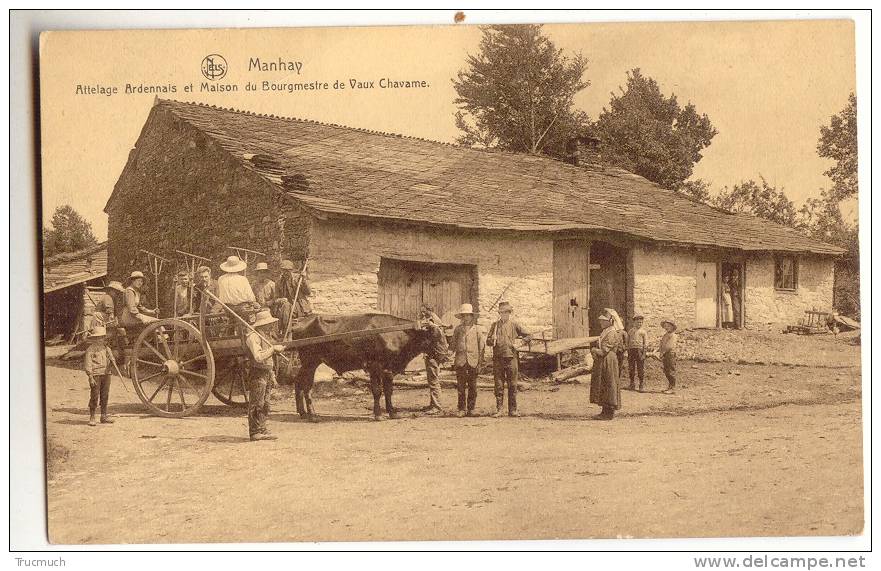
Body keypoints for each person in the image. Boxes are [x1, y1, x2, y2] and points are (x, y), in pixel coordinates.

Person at [243, 308, 285, 441]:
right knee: (257, 403)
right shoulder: (253, 337)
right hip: (257, 372)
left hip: (266, 372)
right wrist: (272, 350)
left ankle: (262, 428)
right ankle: (255, 432)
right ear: (263, 324)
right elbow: (258, 357)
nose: (271, 327)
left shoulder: (265, 337)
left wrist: (272, 374)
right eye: (269, 324)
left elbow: (269, 360)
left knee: (266, 403)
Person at [486, 301, 531, 417]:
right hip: (498, 359)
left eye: (506, 312)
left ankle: (513, 410)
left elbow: (529, 335)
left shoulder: (514, 325)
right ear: (499, 313)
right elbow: (488, 341)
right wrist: (492, 340)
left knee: (512, 384)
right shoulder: (494, 326)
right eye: (501, 312)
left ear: (509, 313)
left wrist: (521, 342)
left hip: (512, 358)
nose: (504, 314)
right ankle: (499, 410)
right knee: (499, 385)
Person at [451, 303, 485, 417]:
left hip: (473, 361)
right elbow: (452, 345)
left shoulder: (477, 330)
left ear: (472, 316)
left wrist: (480, 362)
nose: (466, 318)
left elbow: (481, 347)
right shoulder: (458, 330)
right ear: (461, 317)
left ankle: (471, 409)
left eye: (468, 315)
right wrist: (448, 355)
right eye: (463, 316)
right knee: (460, 386)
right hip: (460, 361)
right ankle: (461, 409)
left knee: (473, 386)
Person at [589, 311, 624, 420]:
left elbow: (604, 350)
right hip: (603, 360)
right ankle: (604, 410)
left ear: (610, 322)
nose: (601, 322)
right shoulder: (605, 331)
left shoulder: (612, 333)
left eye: (603, 321)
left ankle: (609, 412)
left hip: (608, 360)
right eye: (600, 320)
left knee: (609, 383)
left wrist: (594, 350)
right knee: (603, 383)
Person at [83, 326, 115, 426]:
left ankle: (104, 416)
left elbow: (112, 359)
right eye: (97, 337)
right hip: (96, 375)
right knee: (94, 396)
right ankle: (92, 417)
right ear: (94, 339)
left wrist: (112, 360)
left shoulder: (106, 348)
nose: (100, 339)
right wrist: (90, 377)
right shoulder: (90, 350)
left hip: (106, 374)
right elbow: (88, 364)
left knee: (105, 395)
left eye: (102, 337)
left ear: (104, 338)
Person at [419, 304, 448, 414]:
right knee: (432, 379)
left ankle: (437, 406)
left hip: (434, 354)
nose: (422, 314)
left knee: (433, 380)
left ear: (430, 311)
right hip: (432, 353)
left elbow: (437, 335)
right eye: (422, 312)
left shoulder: (434, 321)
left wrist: (431, 326)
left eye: (424, 312)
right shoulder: (432, 319)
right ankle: (433, 404)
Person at [217, 255, 260, 322]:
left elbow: (220, 296)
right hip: (242, 308)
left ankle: (230, 331)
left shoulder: (221, 279)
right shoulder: (243, 279)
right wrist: (254, 303)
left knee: (230, 325)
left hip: (228, 308)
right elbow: (250, 297)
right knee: (246, 324)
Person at [652, 319, 679, 394]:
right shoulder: (665, 335)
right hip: (665, 354)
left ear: (672, 327)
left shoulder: (673, 336)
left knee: (670, 370)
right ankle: (669, 386)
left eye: (668, 326)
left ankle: (672, 387)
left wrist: (662, 353)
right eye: (665, 326)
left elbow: (669, 346)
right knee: (666, 370)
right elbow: (662, 345)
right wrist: (657, 351)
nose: (667, 327)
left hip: (670, 354)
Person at [626, 314, 648, 392]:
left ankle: (641, 384)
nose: (639, 324)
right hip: (631, 351)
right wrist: (627, 351)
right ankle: (632, 383)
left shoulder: (643, 332)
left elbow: (645, 343)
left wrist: (644, 353)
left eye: (641, 322)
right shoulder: (631, 331)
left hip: (640, 351)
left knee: (640, 368)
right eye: (638, 322)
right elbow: (627, 342)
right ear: (634, 322)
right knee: (631, 367)